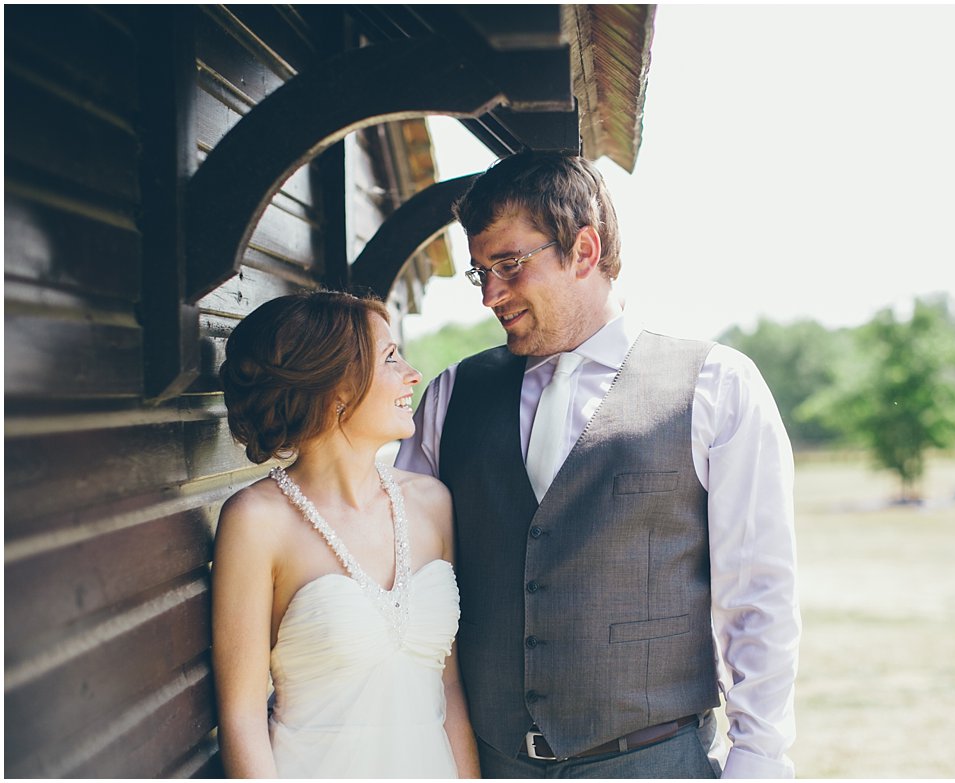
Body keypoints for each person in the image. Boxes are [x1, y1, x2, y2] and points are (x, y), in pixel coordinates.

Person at [396, 150, 800, 778]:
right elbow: (404, 573)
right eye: (480, 274)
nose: (491, 295)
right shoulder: (451, 396)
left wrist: (759, 764)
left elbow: (759, 595)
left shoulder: (716, 385)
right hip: (491, 765)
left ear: (584, 250)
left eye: (508, 264)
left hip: (655, 763)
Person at [212, 290, 480, 778]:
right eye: (391, 357)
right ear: (337, 387)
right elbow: (242, 717)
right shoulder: (256, 521)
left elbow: (451, 687)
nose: (412, 374)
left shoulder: (432, 504)